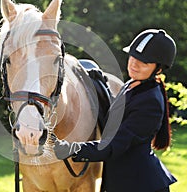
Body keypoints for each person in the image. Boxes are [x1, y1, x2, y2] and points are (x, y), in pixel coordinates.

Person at [53, 29, 177, 192]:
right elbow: (120, 115)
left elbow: (114, 145)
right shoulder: (134, 85)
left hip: (140, 185)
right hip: (125, 182)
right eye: (133, 56)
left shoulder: (150, 102)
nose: (134, 64)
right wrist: (100, 83)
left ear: (158, 69)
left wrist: (73, 149)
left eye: (144, 62)